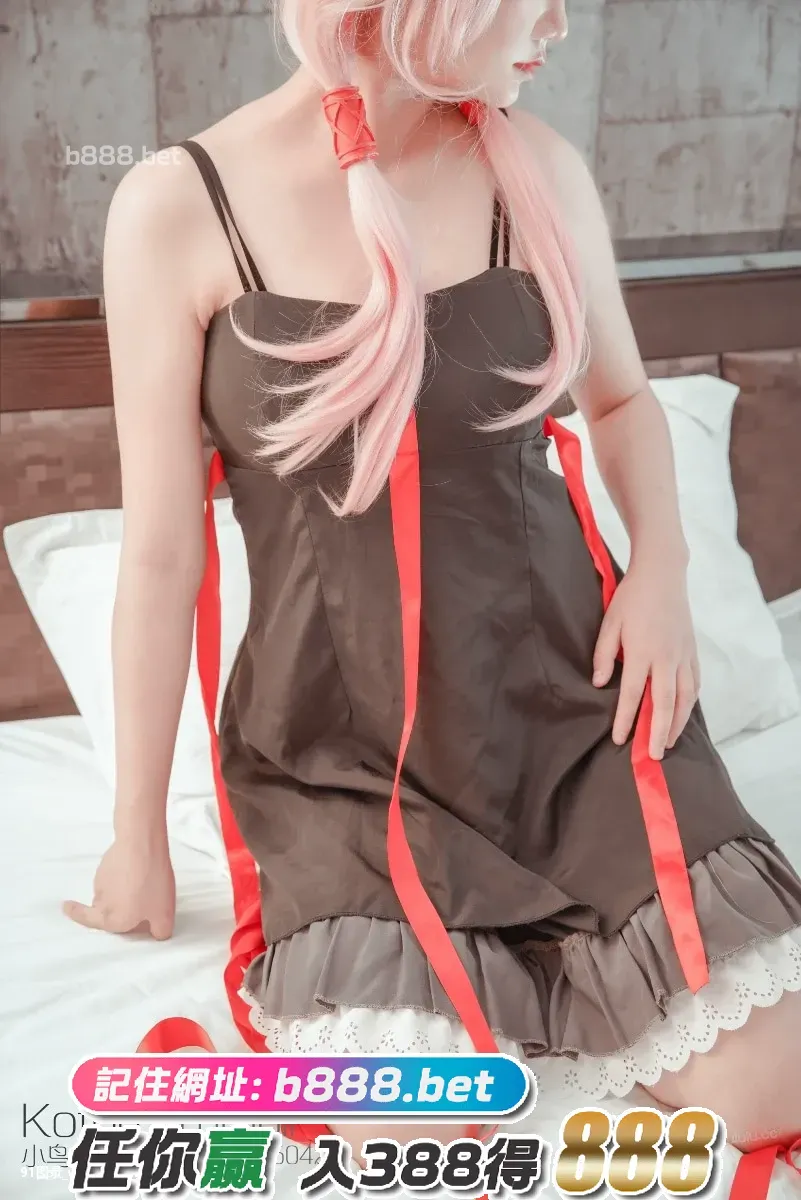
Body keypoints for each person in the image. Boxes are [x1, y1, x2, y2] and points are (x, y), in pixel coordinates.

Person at [65, 0, 801, 1172]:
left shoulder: (536, 168)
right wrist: (135, 835)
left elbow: (619, 400)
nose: (559, 24)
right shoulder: (177, 207)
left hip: (575, 717)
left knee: (768, 1084)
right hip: (343, 760)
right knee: (399, 1126)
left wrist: (662, 568)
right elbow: (161, 554)